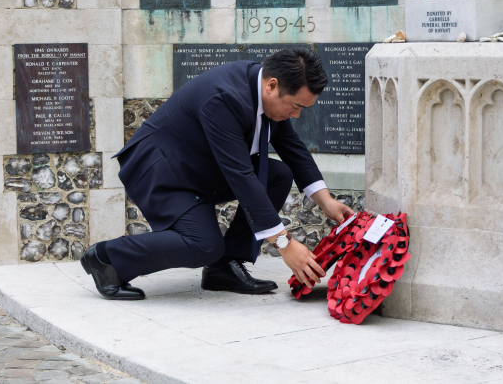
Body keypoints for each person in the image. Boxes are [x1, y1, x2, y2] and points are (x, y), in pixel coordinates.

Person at [80, 46, 354, 300]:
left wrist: (326, 201)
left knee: (277, 174)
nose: (297, 115)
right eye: (296, 106)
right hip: (162, 170)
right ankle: (107, 258)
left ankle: (223, 269)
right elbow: (240, 174)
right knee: (203, 245)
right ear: (272, 86)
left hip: (198, 167)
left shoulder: (266, 93)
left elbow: (293, 149)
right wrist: (284, 243)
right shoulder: (224, 98)